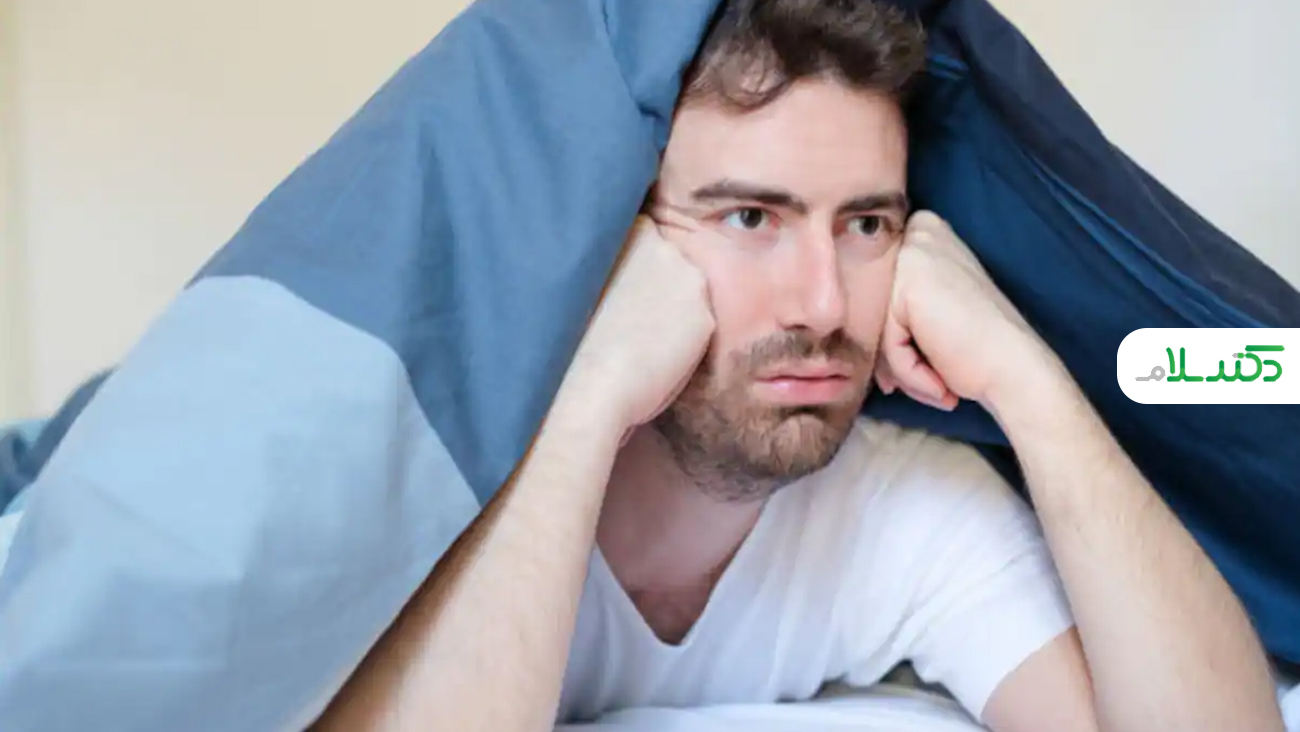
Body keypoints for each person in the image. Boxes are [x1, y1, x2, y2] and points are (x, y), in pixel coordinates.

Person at [312, 1, 1284, 730]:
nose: (823, 304)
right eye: (750, 218)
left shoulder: (903, 505)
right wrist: (589, 397)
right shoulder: (446, 485)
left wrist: (1025, 381)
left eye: (865, 225)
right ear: (620, 235)